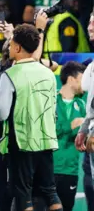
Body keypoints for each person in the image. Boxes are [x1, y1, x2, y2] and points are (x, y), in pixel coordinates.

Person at [0, 24, 62, 211]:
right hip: (46, 139)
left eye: (11, 44)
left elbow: (2, 113)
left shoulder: (10, 75)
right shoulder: (48, 73)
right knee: (50, 191)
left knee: (23, 193)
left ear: (17, 47)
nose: (9, 48)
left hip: (22, 141)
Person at [54, 61, 86, 211]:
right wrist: (70, 125)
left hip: (70, 171)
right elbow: (46, 131)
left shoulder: (82, 105)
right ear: (72, 79)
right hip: (50, 169)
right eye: (82, 78)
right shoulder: (51, 101)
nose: (85, 83)